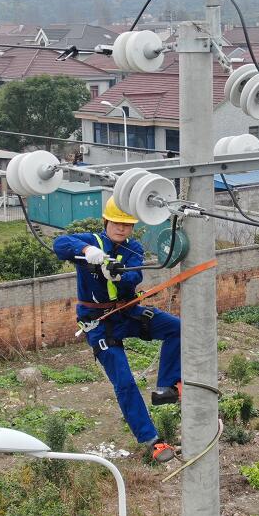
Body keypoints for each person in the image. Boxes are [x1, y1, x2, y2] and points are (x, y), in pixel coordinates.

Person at [53, 198, 182, 462]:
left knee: (176, 328)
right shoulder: (91, 241)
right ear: (106, 222)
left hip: (127, 312)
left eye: (127, 225)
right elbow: (60, 244)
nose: (121, 229)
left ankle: (167, 386)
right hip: (98, 323)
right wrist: (88, 251)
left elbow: (136, 276)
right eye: (117, 223)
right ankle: (151, 440)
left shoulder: (133, 249)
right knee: (124, 381)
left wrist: (119, 275)